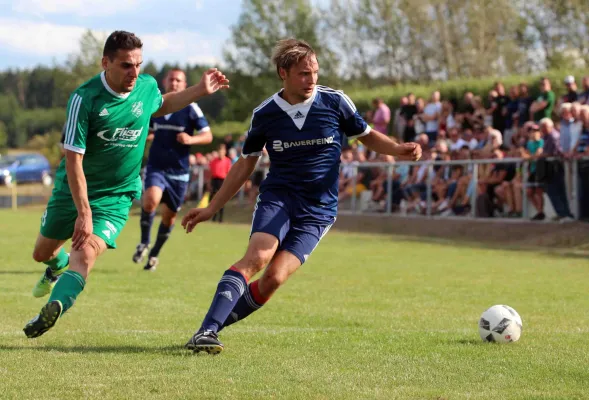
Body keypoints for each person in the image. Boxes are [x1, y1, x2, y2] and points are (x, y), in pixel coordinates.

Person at [180, 38, 422, 354]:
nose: (311, 80)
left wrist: (397, 149)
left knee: (274, 279)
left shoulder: (335, 102)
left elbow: (365, 136)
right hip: (279, 198)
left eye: (315, 73)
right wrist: (212, 207)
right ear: (284, 73)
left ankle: (208, 329)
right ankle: (208, 330)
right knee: (258, 258)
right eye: (303, 74)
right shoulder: (266, 113)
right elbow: (245, 165)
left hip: (319, 210)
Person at [23, 30, 228, 338]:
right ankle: (57, 263)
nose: (134, 72)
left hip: (117, 196)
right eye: (126, 65)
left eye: (138, 65)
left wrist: (199, 89)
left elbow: (162, 104)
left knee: (87, 255)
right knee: (42, 252)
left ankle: (52, 310)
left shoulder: (145, 87)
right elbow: (73, 160)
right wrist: (83, 212)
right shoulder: (84, 98)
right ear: (106, 62)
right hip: (74, 193)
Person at [132, 68, 213, 271]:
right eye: (171, 80)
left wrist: (191, 139)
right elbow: (146, 130)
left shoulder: (191, 108)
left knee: (169, 217)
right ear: (165, 82)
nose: (175, 83)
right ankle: (143, 242)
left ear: (185, 85)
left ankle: (154, 254)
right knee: (150, 201)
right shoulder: (155, 106)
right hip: (156, 167)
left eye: (179, 80)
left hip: (179, 172)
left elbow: (208, 136)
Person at [209, 143, 232, 222]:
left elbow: (229, 173)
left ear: (224, 151)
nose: (220, 152)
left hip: (222, 181)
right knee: (212, 199)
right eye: (219, 151)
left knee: (221, 200)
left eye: (222, 151)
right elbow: (211, 173)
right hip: (215, 180)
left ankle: (220, 218)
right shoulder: (213, 161)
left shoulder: (227, 161)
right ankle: (213, 217)